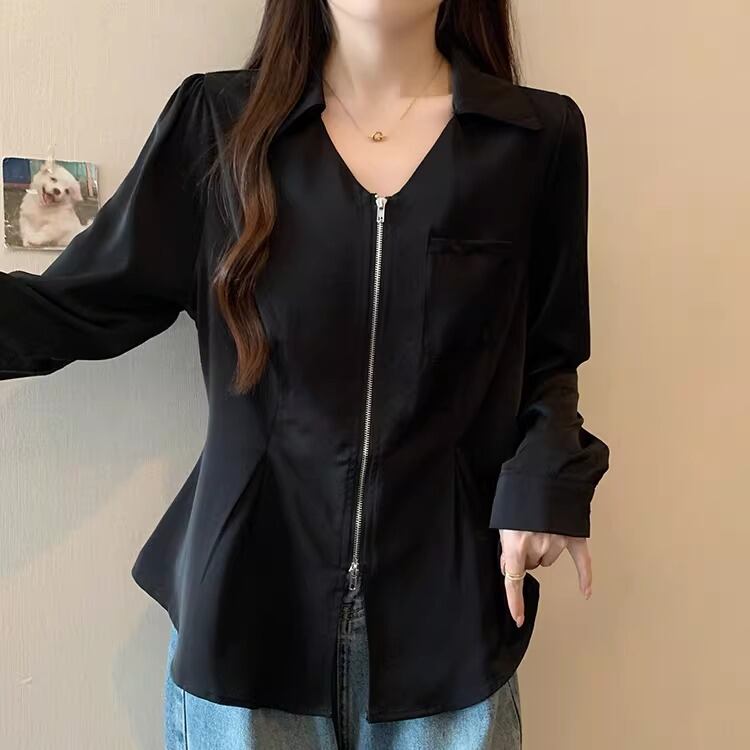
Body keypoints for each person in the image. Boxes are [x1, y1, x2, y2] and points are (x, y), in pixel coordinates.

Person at [0, 1, 611, 748]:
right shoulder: (218, 122)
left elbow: (550, 354)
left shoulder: (534, 138)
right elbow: (75, 306)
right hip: (246, 616)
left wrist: (543, 485)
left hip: (447, 627)